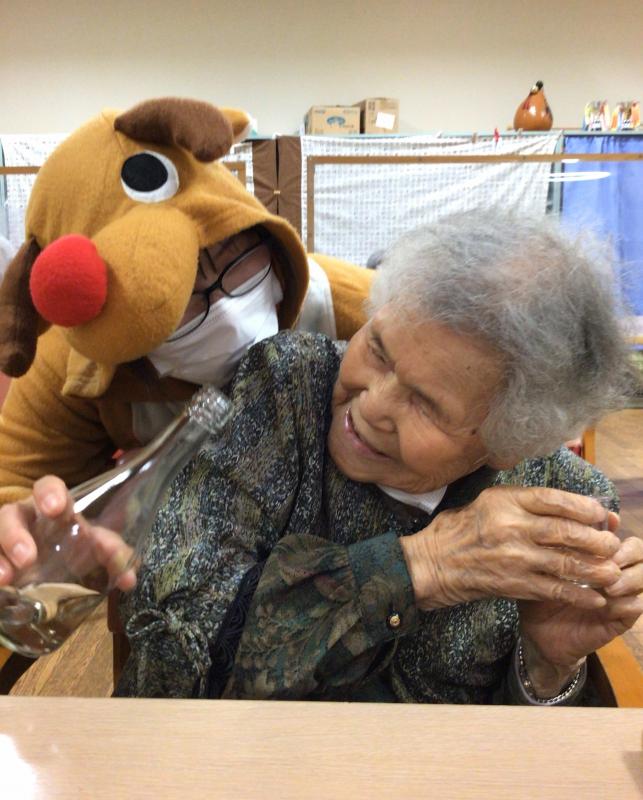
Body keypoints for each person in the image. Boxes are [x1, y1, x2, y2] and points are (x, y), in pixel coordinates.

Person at [2, 211, 641, 705]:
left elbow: (530, 758)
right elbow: (177, 654)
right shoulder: (278, 392)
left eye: (425, 404)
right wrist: (419, 566)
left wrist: (548, 666)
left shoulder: (564, 508)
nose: (371, 403)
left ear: (511, 440)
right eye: (380, 350)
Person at [0, 97, 372, 507]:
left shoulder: (336, 301)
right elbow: (14, 483)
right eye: (182, 295)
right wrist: (34, 529)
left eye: (231, 251)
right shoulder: (74, 371)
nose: (229, 310)